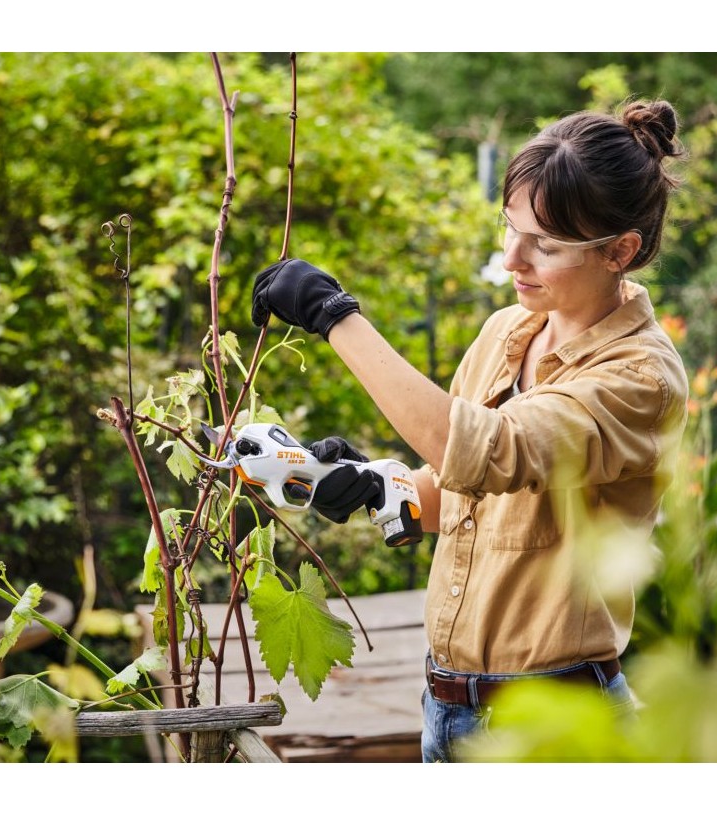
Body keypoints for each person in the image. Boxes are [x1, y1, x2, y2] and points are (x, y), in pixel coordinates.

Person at [249, 99, 690, 762]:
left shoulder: (640, 379)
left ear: (619, 250)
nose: (513, 257)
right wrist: (378, 484)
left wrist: (333, 315)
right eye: (510, 228)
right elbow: (475, 497)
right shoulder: (505, 334)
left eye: (545, 243)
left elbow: (493, 449)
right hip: (449, 713)